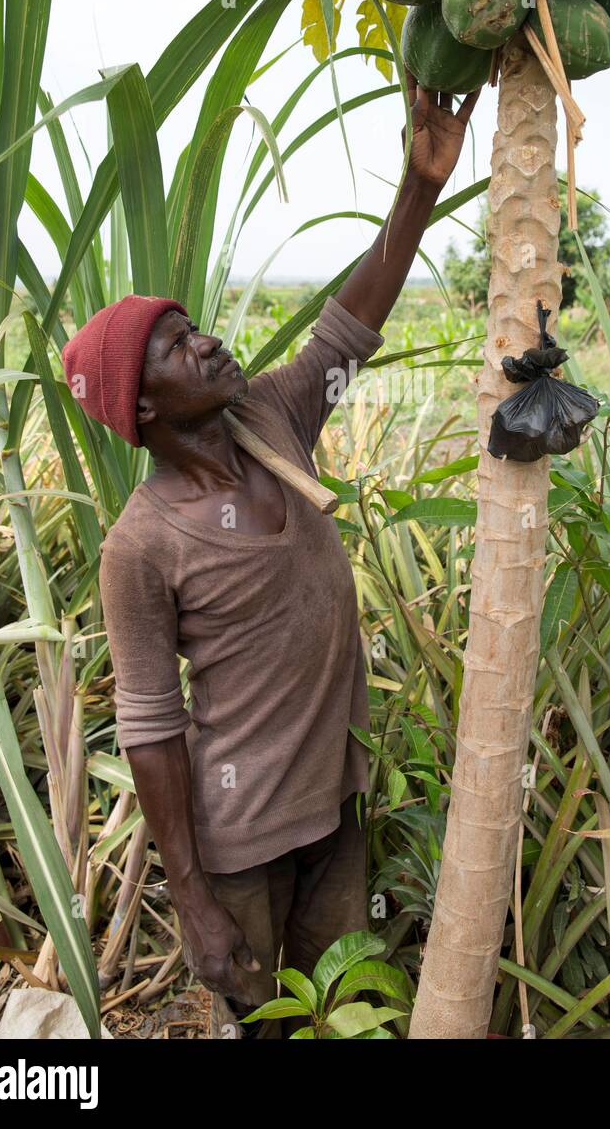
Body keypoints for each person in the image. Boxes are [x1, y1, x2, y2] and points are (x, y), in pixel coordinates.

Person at [61, 74, 480, 1039]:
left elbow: (353, 321)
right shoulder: (142, 547)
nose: (207, 343)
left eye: (195, 325)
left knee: (346, 1011)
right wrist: (195, 903)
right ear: (146, 409)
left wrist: (418, 188)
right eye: (175, 347)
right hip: (241, 844)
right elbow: (151, 730)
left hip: (335, 808)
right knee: (267, 1029)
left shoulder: (275, 418)